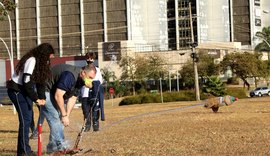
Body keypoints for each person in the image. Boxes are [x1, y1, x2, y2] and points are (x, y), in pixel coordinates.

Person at [6, 43, 55, 156]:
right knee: (26, 120)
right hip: (17, 91)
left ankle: (23, 150)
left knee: (28, 119)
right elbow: (26, 81)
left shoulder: (41, 64)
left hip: (25, 91)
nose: (50, 59)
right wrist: (36, 98)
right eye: (49, 56)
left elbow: (41, 82)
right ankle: (24, 151)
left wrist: (42, 98)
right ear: (44, 55)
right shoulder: (32, 60)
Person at [41, 63, 96, 154]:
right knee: (55, 118)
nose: (90, 81)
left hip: (53, 93)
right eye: (90, 78)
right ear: (83, 73)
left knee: (59, 121)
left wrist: (67, 115)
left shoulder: (80, 80)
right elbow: (58, 95)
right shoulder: (70, 76)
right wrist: (64, 114)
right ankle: (62, 147)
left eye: (92, 79)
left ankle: (51, 148)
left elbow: (73, 98)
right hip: (44, 90)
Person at [80, 52, 105, 132]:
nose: (89, 59)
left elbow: (100, 81)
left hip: (94, 94)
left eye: (91, 58)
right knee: (86, 110)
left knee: (95, 110)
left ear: (94, 59)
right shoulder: (82, 69)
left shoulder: (97, 69)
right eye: (88, 58)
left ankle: (95, 124)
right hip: (85, 93)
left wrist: (93, 83)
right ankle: (87, 126)